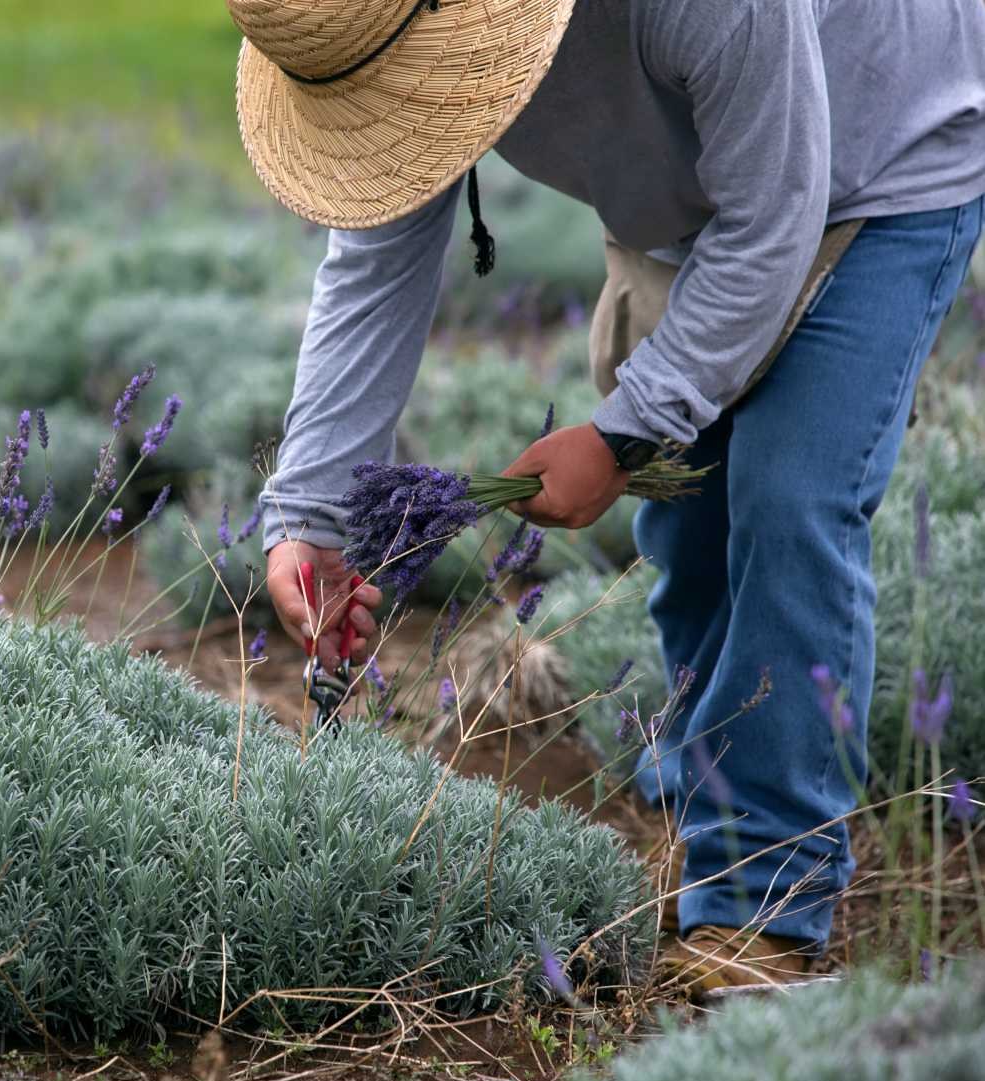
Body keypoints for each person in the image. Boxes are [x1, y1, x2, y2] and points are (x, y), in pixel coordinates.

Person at [226, 0, 985, 993]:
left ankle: (766, 897)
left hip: (884, 157)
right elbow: (375, 265)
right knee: (696, 520)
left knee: (786, 505)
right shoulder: (393, 31)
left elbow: (776, 215)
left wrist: (623, 433)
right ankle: (720, 784)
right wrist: (309, 516)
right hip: (692, 187)